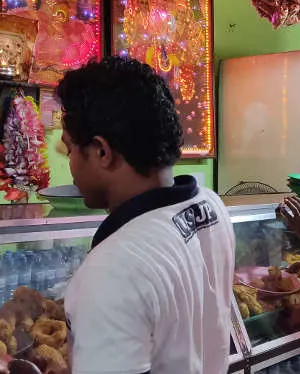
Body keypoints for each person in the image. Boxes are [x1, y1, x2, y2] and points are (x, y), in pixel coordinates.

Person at [57, 57, 235, 374]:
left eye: (69, 149)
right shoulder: (210, 206)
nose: (69, 162)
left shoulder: (113, 270)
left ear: (101, 151)